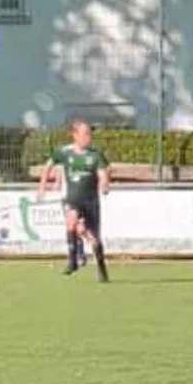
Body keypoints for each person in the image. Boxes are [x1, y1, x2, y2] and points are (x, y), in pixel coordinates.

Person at [36, 118, 110, 281]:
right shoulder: (64, 152)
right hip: (73, 199)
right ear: (75, 135)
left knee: (92, 237)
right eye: (85, 134)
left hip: (90, 202)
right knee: (71, 222)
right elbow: (49, 165)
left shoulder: (95, 154)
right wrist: (42, 185)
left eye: (89, 134)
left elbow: (103, 174)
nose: (88, 137)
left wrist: (104, 184)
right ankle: (72, 261)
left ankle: (101, 266)